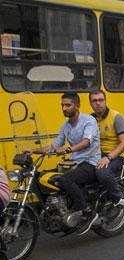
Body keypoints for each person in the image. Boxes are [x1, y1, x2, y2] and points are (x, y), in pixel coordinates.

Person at [31, 92, 101, 235]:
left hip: (90, 163)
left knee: (65, 179)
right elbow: (54, 146)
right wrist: (33, 150)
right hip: (73, 163)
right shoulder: (66, 125)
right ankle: (54, 212)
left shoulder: (88, 120)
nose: (64, 108)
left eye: (68, 105)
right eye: (62, 105)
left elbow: (87, 142)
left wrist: (69, 149)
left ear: (77, 106)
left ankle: (87, 212)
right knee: (40, 177)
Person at [89, 90, 124, 220]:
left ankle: (118, 201)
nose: (98, 103)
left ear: (105, 101)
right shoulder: (90, 119)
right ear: (90, 103)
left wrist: (108, 157)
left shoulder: (116, 117)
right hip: (96, 155)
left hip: (115, 155)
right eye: (94, 101)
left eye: (101, 100)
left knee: (102, 173)